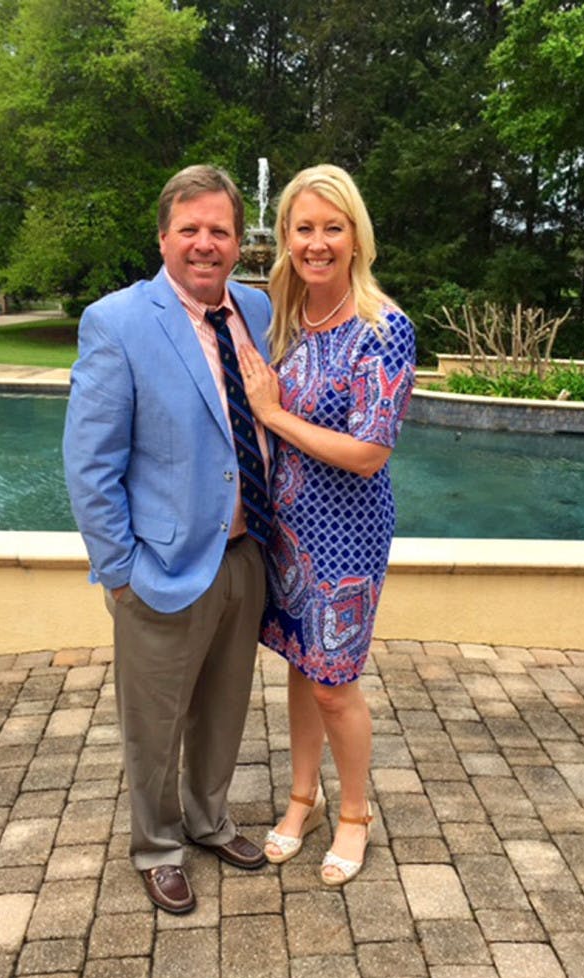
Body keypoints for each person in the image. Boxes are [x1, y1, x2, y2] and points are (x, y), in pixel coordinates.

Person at [63, 164, 273, 915]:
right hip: (159, 567)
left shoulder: (257, 308)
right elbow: (91, 464)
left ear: (237, 242)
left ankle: (210, 820)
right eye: (190, 229)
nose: (205, 243)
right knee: (153, 725)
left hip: (246, 556)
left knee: (224, 707)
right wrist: (118, 571)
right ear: (163, 237)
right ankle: (156, 847)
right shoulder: (117, 321)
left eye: (219, 230)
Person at [238, 164, 415, 886]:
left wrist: (275, 415)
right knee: (300, 667)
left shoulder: (384, 328)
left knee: (335, 682)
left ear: (355, 237)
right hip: (287, 531)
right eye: (304, 228)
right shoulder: (286, 316)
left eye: (331, 228)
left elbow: (370, 453)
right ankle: (301, 800)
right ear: (285, 236)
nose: (317, 243)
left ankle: (354, 815)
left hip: (346, 534)